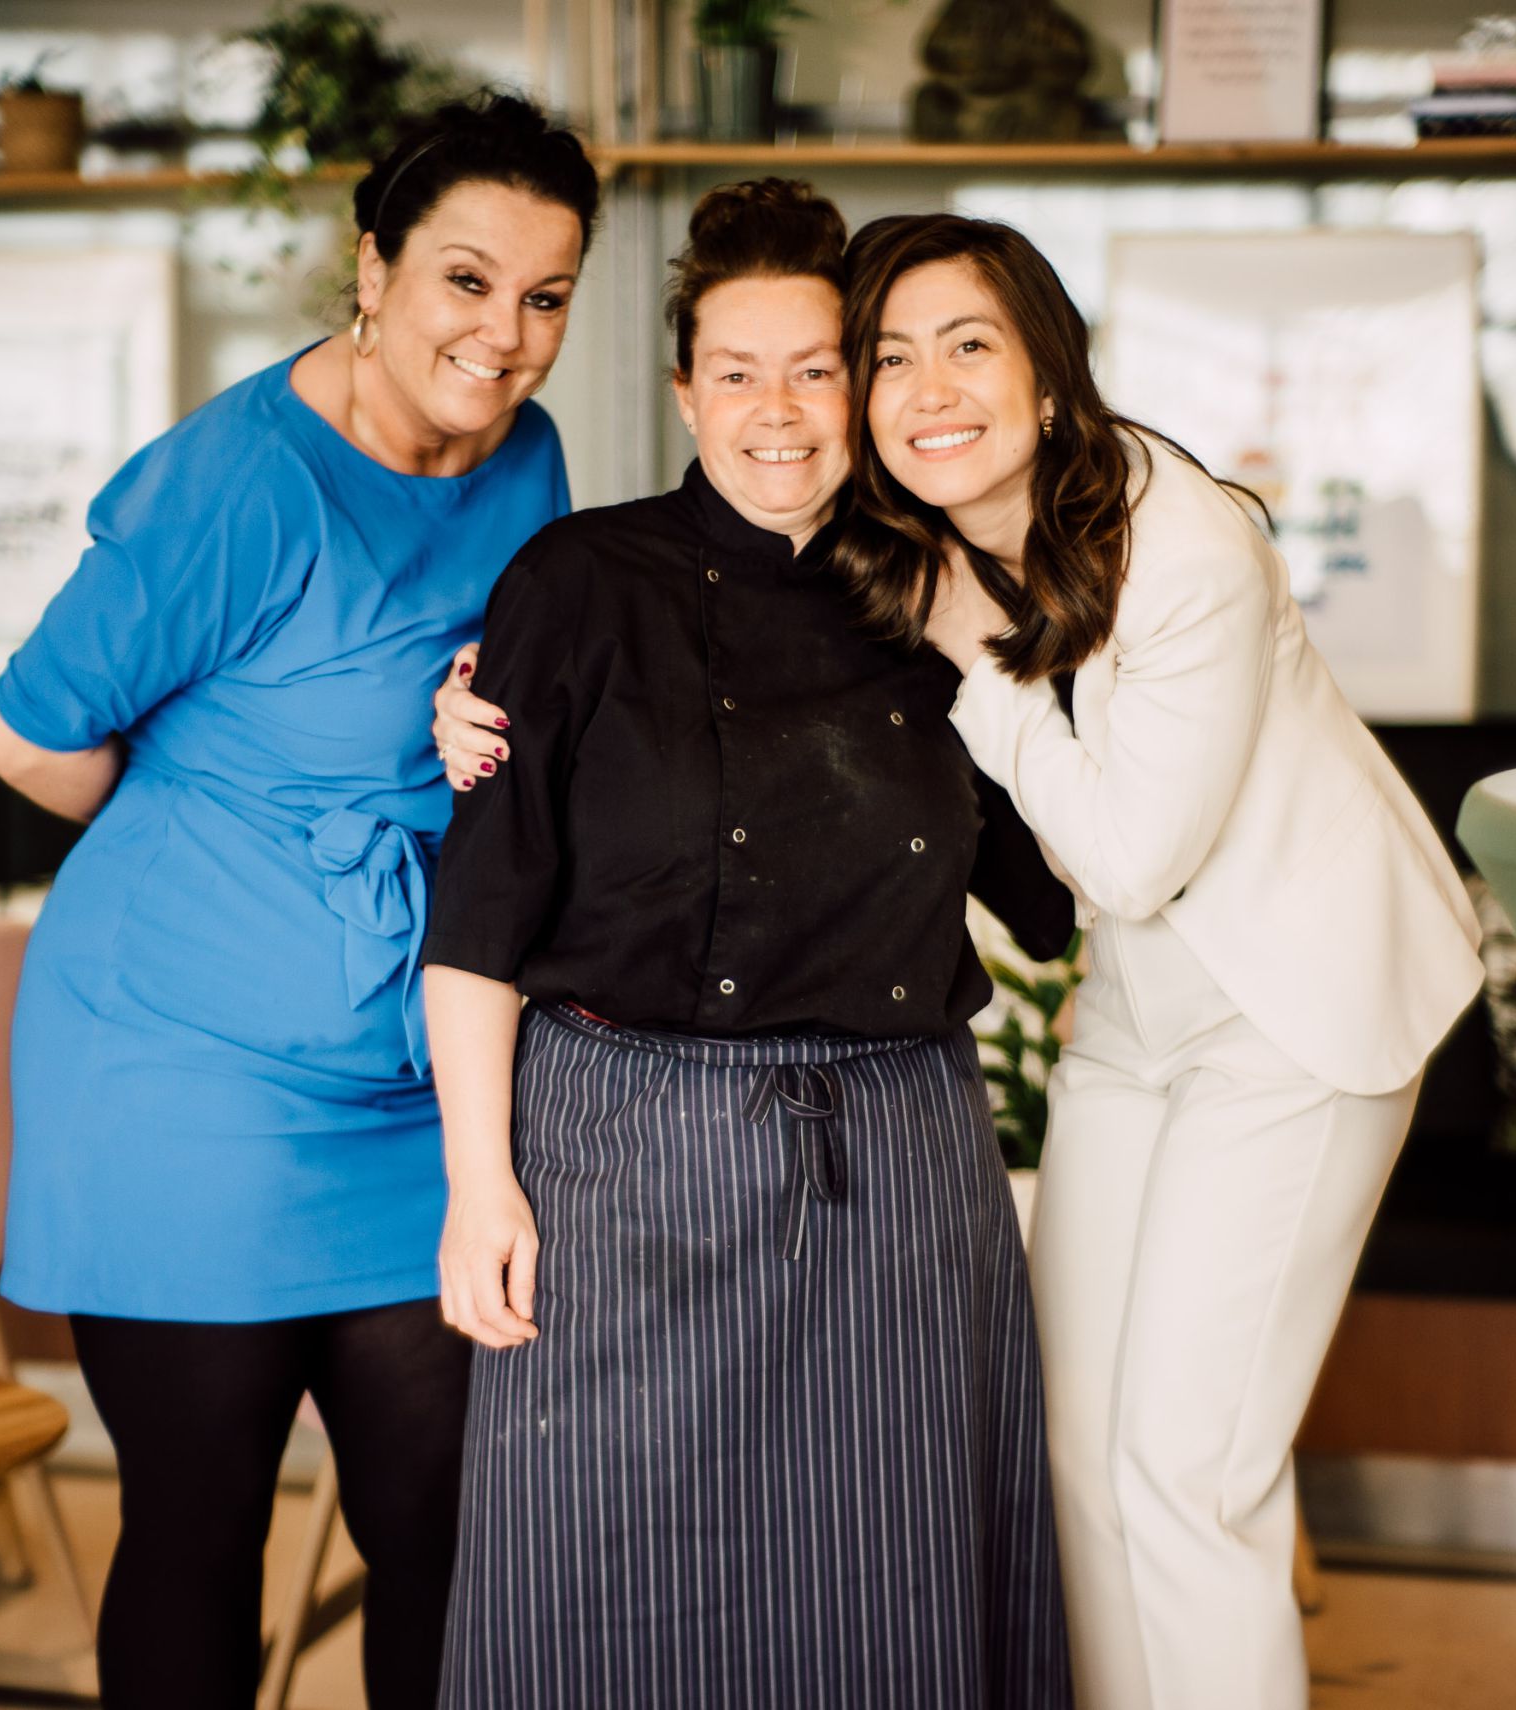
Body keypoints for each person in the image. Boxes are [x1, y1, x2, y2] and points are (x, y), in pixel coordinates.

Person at [0, 96, 597, 1710]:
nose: (504, 335)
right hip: (180, 1073)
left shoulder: (528, 457)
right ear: (371, 269)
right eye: (466, 281)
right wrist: (219, 823)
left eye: (544, 298)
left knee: (451, 1522)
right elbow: (23, 738)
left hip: (411, 1082)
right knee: (200, 1529)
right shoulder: (235, 482)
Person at [418, 179, 1077, 1710]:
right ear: (681, 391)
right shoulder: (578, 584)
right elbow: (483, 915)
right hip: (621, 1157)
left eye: (816, 367)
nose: (776, 411)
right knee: (594, 1575)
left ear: (865, 381)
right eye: (735, 371)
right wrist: (478, 1184)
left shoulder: (949, 597)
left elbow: (1066, 880)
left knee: (890, 1586)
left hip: (899, 1162)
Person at [836, 214, 1484, 1710]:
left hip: (1301, 1016)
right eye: (890, 357)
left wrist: (970, 656)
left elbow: (1130, 857)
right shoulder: (941, 543)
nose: (930, 386)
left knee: (1188, 1473)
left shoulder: (1188, 542)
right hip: (1140, 1021)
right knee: (1081, 1451)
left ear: (1049, 381)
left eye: (970, 345)